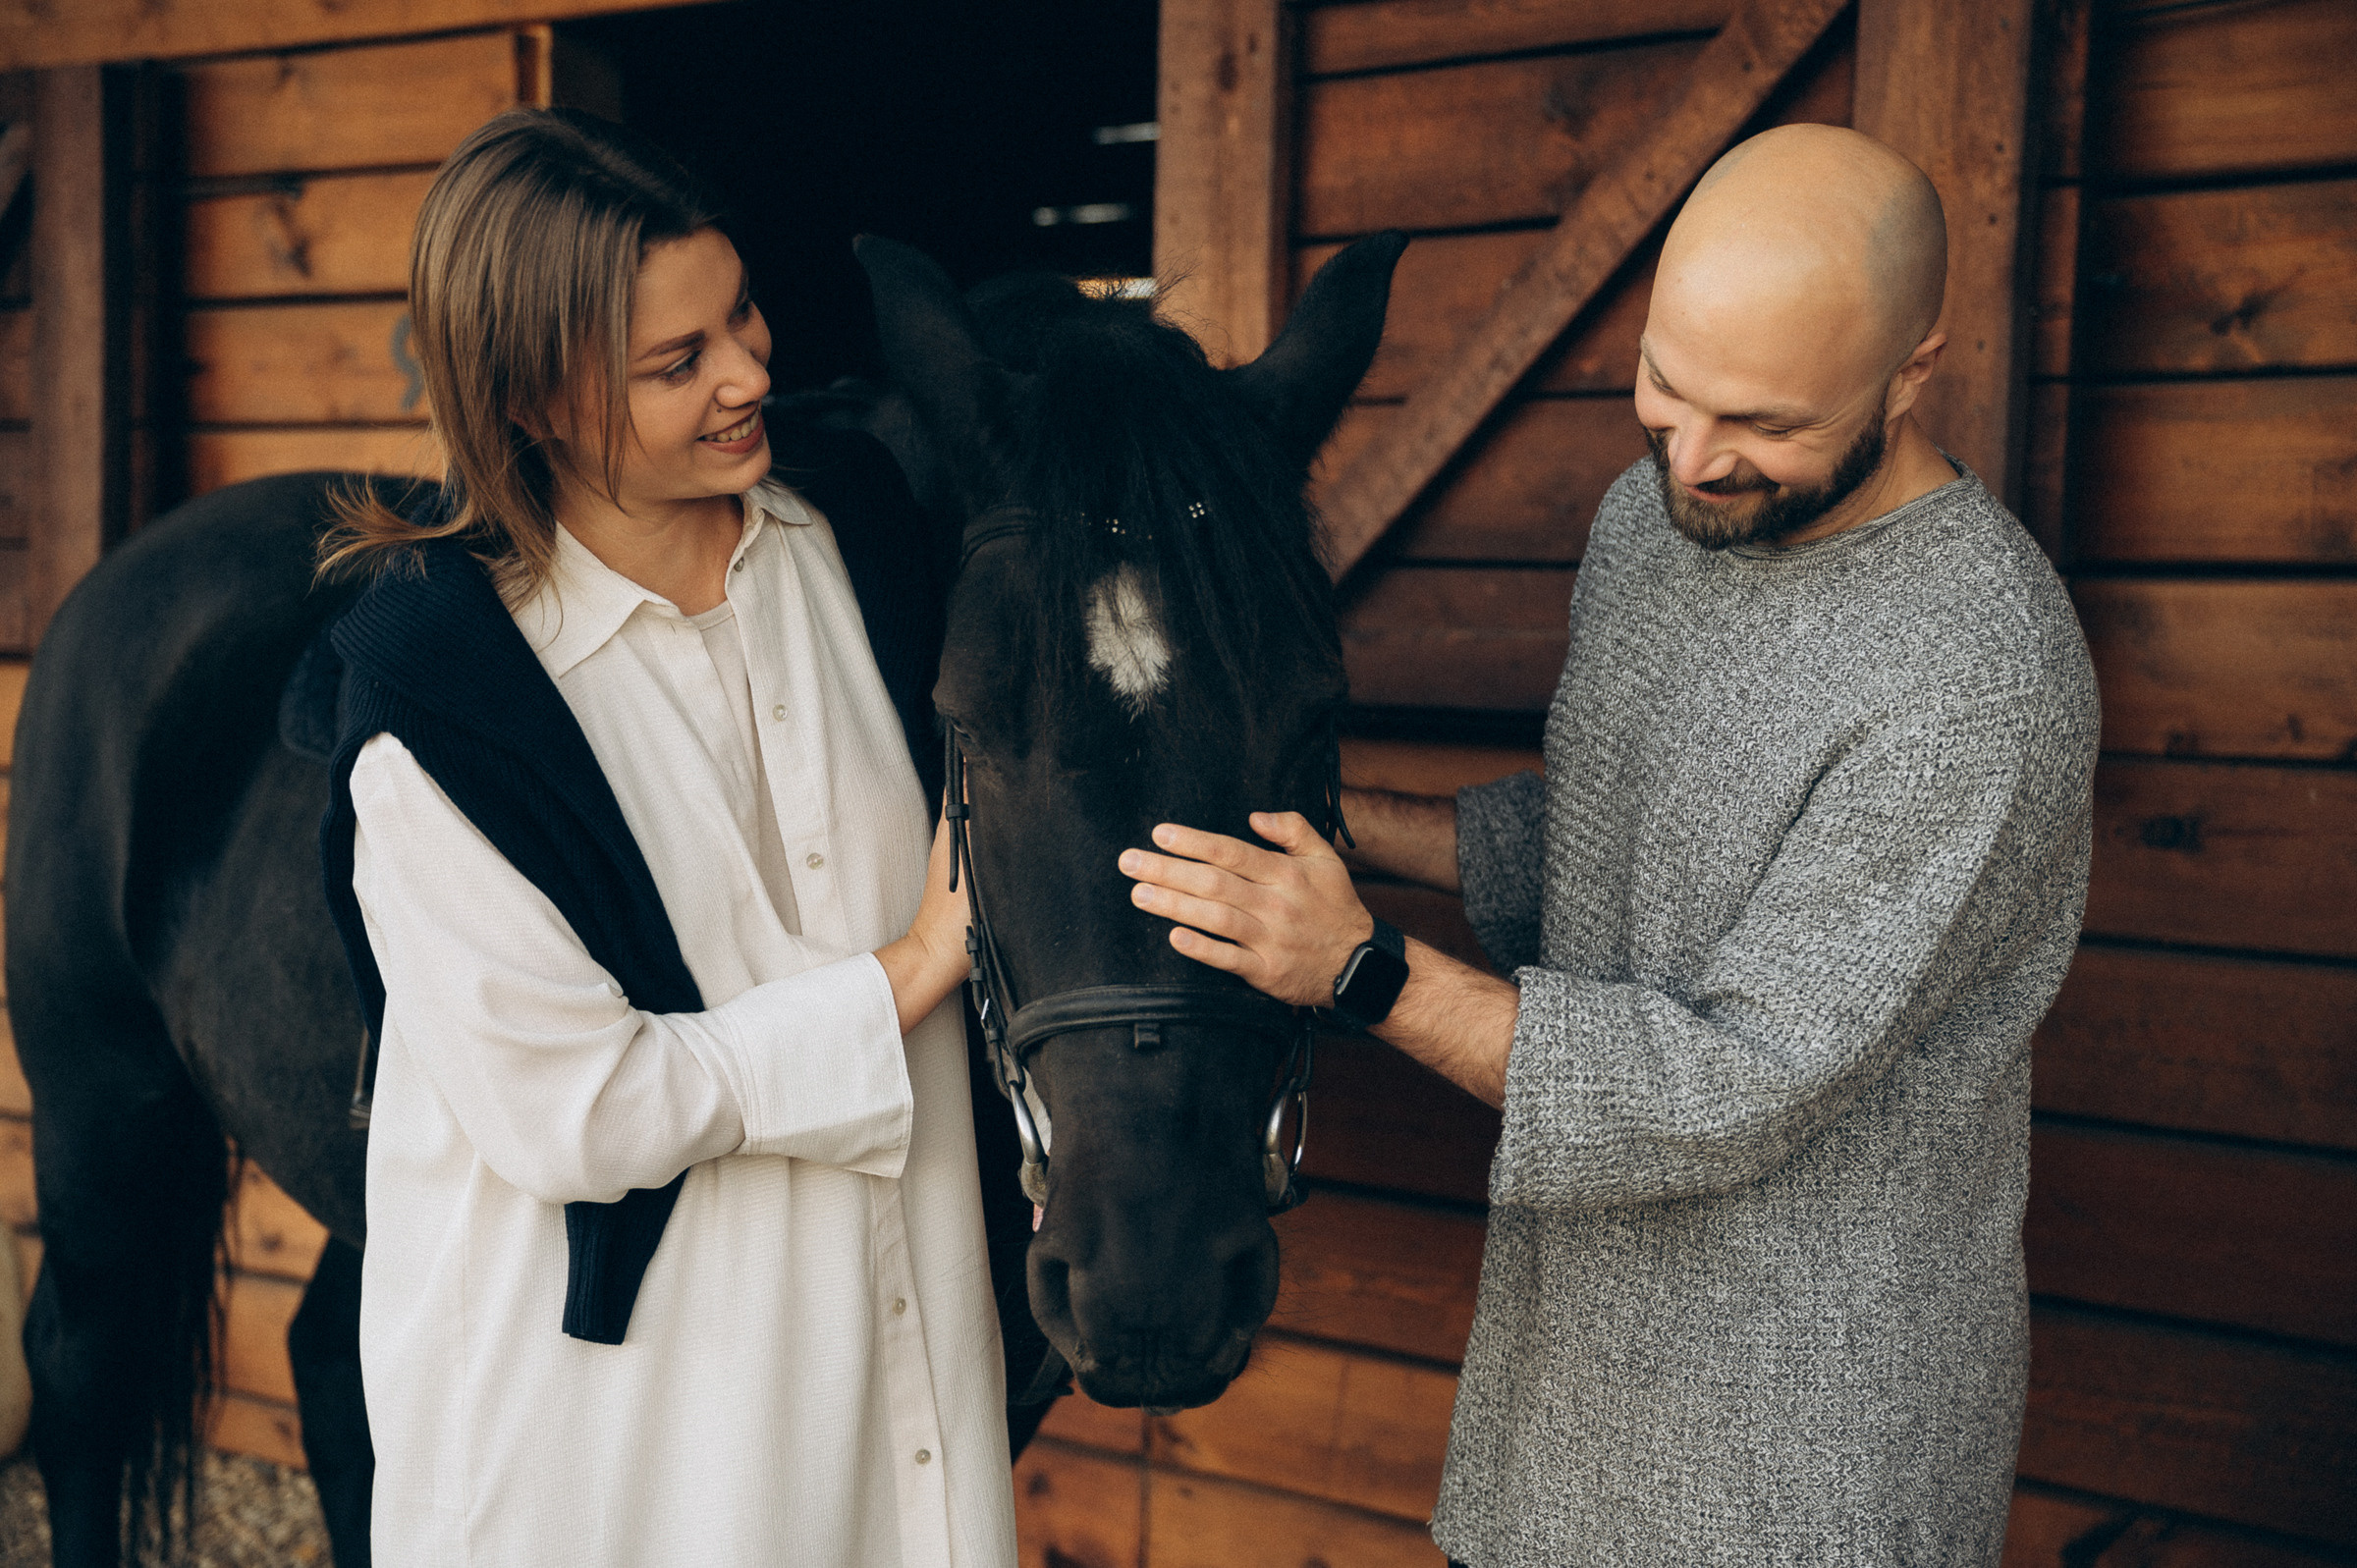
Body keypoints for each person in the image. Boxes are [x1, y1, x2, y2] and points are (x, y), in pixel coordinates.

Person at [1119, 124, 2100, 1565]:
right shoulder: (1653, 524)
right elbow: (1622, 836)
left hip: (1803, 1438)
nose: (1693, 458)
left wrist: (1361, 969)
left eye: (1760, 423)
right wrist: (1340, 828)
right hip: (1564, 1379)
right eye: (1664, 387)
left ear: (1912, 370)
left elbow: (1731, 1079)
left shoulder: (1977, 676)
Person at [316, 109, 1015, 1566]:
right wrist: (917, 964)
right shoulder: (437, 701)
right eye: (676, 363)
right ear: (529, 400)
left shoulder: (860, 538)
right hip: (613, 1442)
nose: (753, 372)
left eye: (742, 310)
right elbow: (585, 1108)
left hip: (890, 1346)